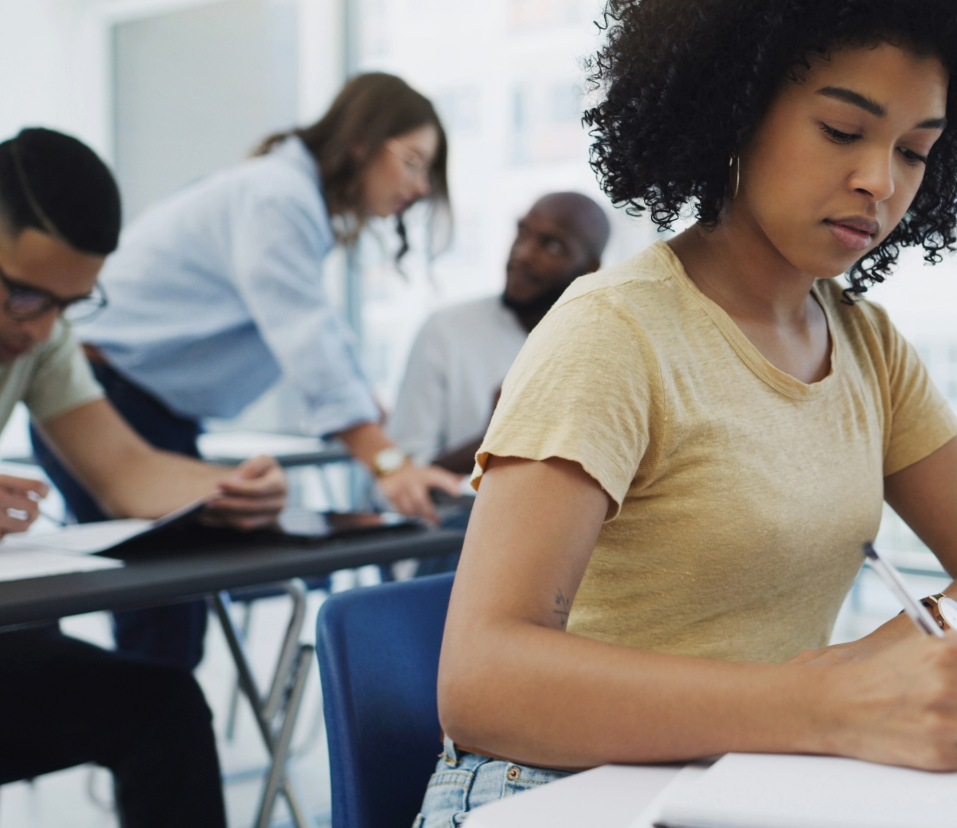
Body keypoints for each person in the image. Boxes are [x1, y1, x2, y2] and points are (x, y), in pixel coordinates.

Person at [417, 0, 957, 826]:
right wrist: (823, 704)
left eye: (916, 151)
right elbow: (482, 683)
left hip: (748, 776)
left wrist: (892, 651)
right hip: (561, 791)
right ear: (734, 105)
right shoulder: (616, 331)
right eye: (843, 131)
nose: (879, 182)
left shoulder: (864, 343)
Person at [31, 72, 464, 672]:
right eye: (414, 162)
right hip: (103, 399)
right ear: (364, 140)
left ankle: (156, 735)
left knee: (174, 618)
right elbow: (303, 334)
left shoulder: (292, 202)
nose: (418, 188)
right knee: (164, 622)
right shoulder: (278, 196)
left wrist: (380, 436)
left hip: (149, 408)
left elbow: (323, 336)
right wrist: (386, 462)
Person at [0, 127, 289, 828]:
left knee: (164, 707)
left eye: (70, 304)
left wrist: (231, 488)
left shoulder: (42, 339)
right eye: (27, 297)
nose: (41, 330)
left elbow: (126, 470)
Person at [389, 191, 611, 476]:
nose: (522, 254)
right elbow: (403, 482)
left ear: (590, 268)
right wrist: (496, 439)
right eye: (522, 233)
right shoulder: (446, 331)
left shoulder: (604, 349)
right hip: (461, 519)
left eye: (552, 246)